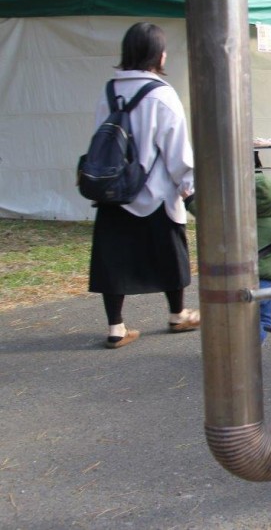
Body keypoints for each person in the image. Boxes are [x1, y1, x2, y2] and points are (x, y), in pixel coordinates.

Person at [87, 22, 197, 349]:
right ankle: (178, 315)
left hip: (114, 191)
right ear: (157, 54)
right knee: (170, 255)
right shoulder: (162, 94)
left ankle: (115, 327)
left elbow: (100, 138)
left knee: (112, 260)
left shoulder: (109, 90)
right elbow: (177, 150)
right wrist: (188, 186)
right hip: (155, 193)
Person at [254, 156, 271, 343]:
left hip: (235, 282)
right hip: (263, 283)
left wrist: (189, 199)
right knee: (263, 319)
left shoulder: (234, 224)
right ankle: (255, 346)